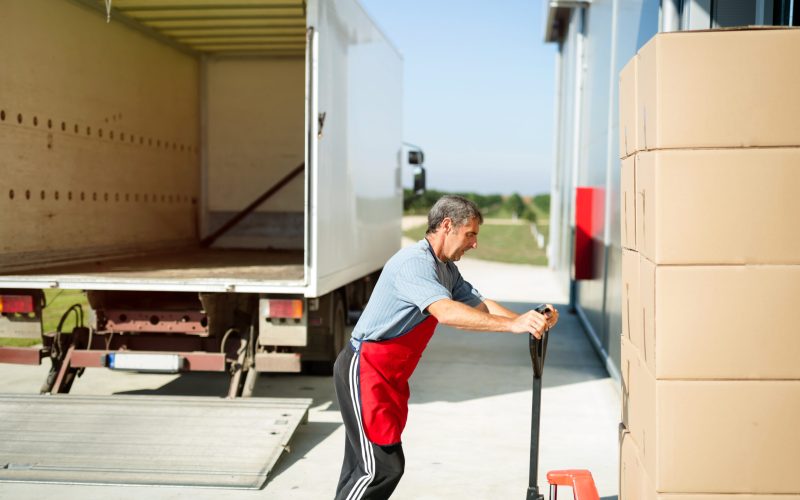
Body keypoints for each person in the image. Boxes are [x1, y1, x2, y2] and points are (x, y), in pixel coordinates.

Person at [333, 195, 558, 500]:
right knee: (381, 468)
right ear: (447, 225)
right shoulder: (415, 264)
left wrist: (527, 320)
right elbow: (448, 313)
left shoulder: (446, 269)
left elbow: (481, 307)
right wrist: (513, 326)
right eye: (470, 234)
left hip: (388, 375)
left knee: (364, 467)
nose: (474, 243)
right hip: (365, 371)